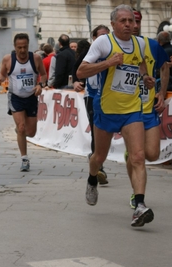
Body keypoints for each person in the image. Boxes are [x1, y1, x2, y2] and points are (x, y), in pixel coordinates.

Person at [77, 4, 155, 227]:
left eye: (131, 21)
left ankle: (139, 206)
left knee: (137, 157)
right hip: (106, 109)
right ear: (113, 24)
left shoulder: (140, 43)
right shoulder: (104, 42)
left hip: (132, 110)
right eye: (124, 21)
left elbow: (140, 67)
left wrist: (147, 79)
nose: (129, 25)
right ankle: (92, 179)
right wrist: (108, 63)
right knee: (99, 157)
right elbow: (81, 71)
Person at [126, 9, 170, 209]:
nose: (134, 25)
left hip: (148, 108)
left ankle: (130, 157)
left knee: (152, 154)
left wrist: (162, 93)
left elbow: (164, 67)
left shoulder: (151, 45)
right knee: (138, 156)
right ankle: (137, 197)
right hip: (127, 110)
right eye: (131, 21)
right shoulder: (117, 46)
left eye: (137, 22)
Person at [0, 33, 47, 171]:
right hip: (15, 97)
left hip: (31, 97)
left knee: (31, 132)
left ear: (29, 46)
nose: (22, 51)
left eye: (25, 47)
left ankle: (19, 131)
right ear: (14, 47)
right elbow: (2, 74)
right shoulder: (8, 59)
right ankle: (24, 159)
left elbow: (44, 75)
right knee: (22, 127)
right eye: (19, 48)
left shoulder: (35, 58)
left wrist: (40, 85)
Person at [72, 25, 110, 185]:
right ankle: (99, 166)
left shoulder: (114, 52)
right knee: (96, 129)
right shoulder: (90, 53)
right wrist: (75, 82)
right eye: (101, 36)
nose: (104, 39)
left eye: (107, 36)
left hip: (111, 96)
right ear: (94, 38)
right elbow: (76, 70)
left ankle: (95, 157)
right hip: (92, 95)